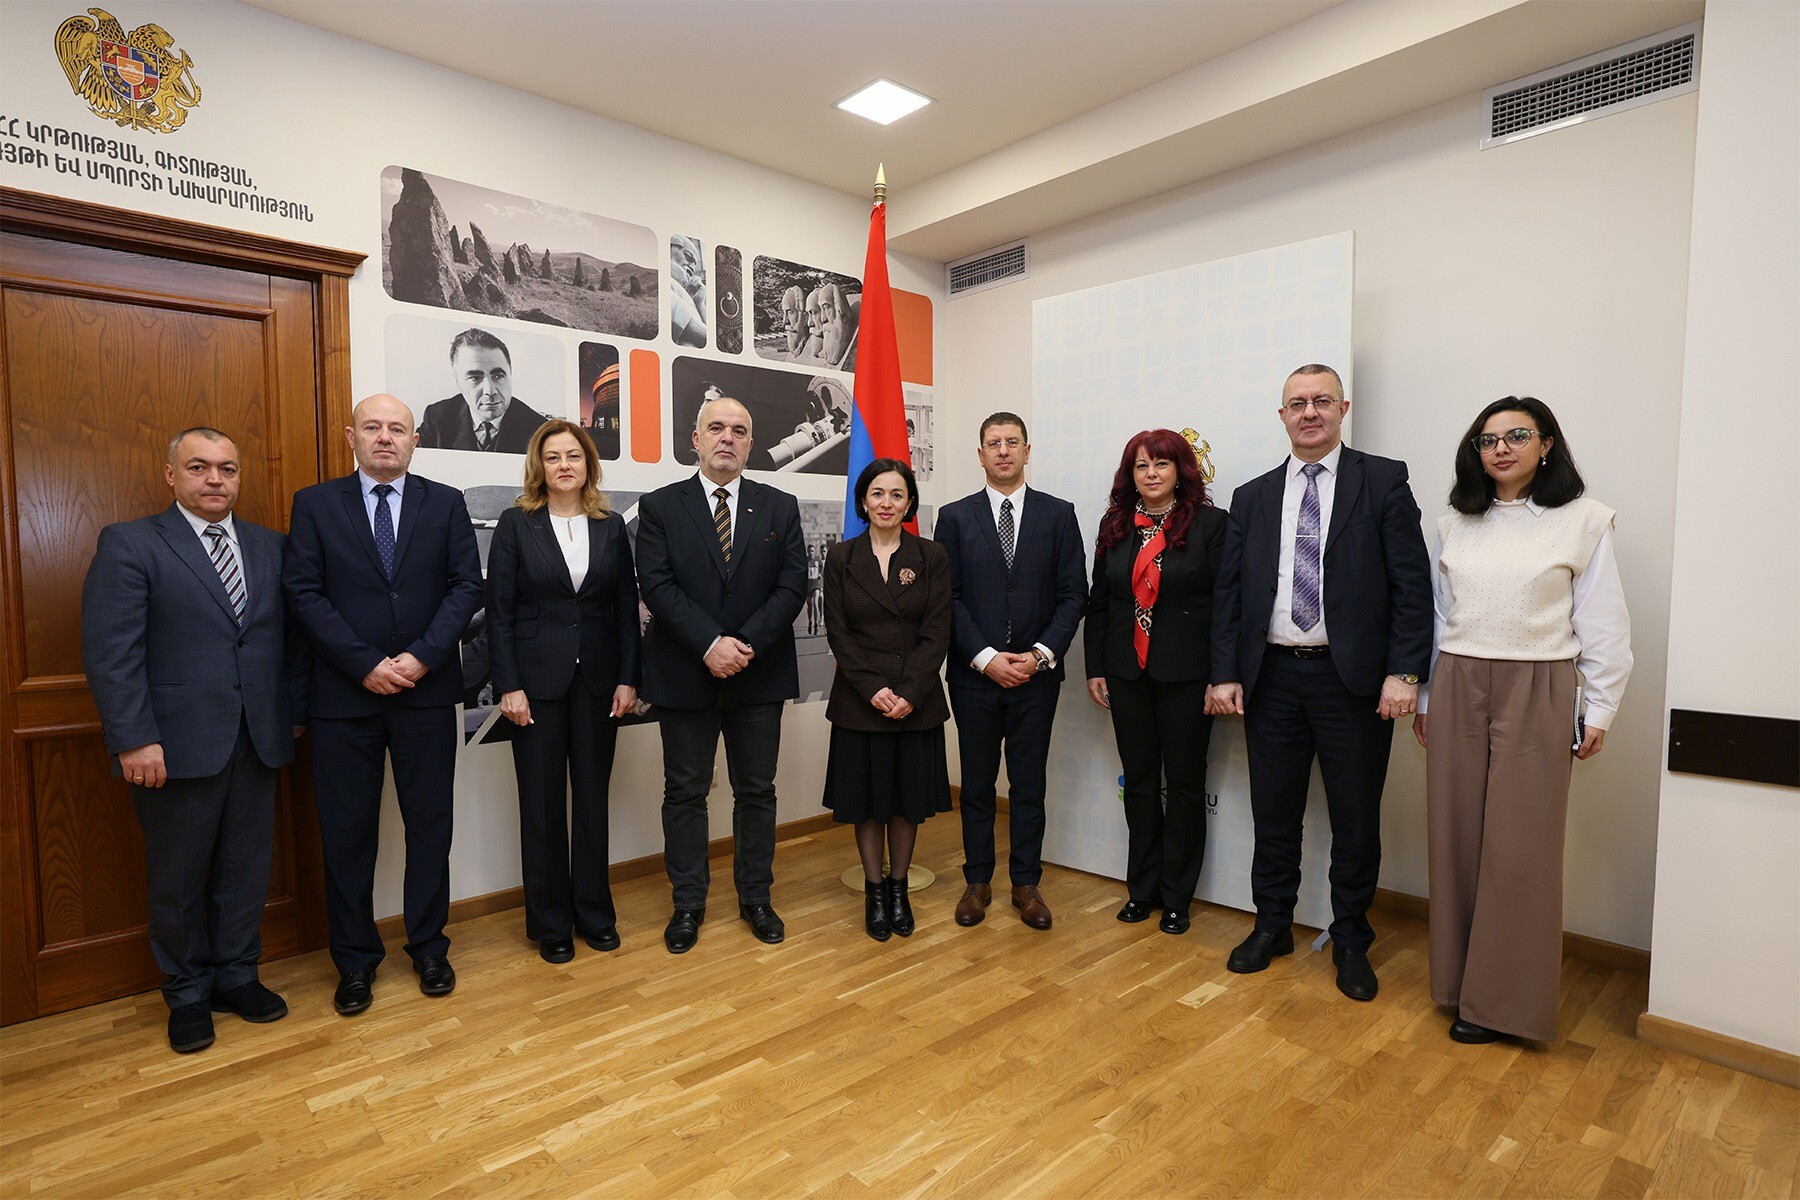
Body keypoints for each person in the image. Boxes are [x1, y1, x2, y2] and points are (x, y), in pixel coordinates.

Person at [1206, 364, 1431, 1001]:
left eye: (1321, 401)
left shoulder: (1382, 480)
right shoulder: (1251, 496)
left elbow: (1411, 584)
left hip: (1351, 682)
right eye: (1297, 403)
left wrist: (1405, 673)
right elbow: (1230, 595)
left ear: (1342, 409)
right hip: (1272, 677)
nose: (1309, 412)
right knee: (1274, 813)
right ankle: (1272, 925)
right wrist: (1224, 672)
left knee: (1355, 819)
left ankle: (1352, 938)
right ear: (1282, 415)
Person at [80, 428, 305, 1053]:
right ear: (171, 474)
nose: (215, 479)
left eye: (227, 469)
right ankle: (186, 993)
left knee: (245, 867)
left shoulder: (271, 547)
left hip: (258, 737)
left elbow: (290, 642)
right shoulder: (130, 543)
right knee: (178, 877)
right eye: (199, 467)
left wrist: (291, 713)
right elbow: (111, 652)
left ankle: (237, 977)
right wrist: (133, 738)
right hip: (172, 746)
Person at [1414, 397, 1630, 1044]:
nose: (1501, 449)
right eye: (1488, 440)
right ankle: (1458, 987)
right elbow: (1437, 617)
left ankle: (1502, 1006)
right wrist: (1425, 698)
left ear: (1546, 444)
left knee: (1521, 848)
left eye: (1516, 436)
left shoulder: (1584, 520)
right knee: (1454, 838)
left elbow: (1603, 620)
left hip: (1539, 684)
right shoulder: (1455, 523)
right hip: (1457, 681)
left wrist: (1600, 706)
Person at [284, 394, 483, 1015]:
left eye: (397, 429)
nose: (385, 437)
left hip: (426, 695)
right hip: (343, 700)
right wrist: (363, 664)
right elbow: (303, 593)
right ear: (352, 437)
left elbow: (466, 587)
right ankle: (354, 961)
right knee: (347, 835)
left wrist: (422, 657)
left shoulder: (446, 503)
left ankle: (429, 947)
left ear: (415, 440)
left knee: (430, 827)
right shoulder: (316, 505)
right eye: (372, 427)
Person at [635, 395, 807, 953]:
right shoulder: (661, 507)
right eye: (716, 428)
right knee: (685, 793)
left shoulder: (780, 506)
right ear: (696, 439)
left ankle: (756, 898)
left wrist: (743, 646)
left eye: (738, 430)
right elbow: (657, 585)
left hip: (758, 675)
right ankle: (688, 904)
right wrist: (710, 644)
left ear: (751, 444)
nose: (727, 437)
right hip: (685, 674)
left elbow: (792, 586)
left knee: (756, 792)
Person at [487, 420, 641, 964]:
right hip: (535, 687)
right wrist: (508, 685)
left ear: (588, 464)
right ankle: (551, 923)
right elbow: (499, 613)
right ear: (540, 466)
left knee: (593, 802)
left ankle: (594, 914)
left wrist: (628, 677)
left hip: (598, 683)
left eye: (573, 455)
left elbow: (625, 610)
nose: (564, 465)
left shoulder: (610, 525)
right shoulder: (516, 524)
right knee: (542, 805)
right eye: (552, 457)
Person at [935, 412, 1088, 930]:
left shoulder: (1058, 515)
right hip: (974, 677)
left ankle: (1026, 883)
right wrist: (985, 658)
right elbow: (948, 597)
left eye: (1012, 442)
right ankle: (977, 881)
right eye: (993, 443)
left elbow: (1074, 594)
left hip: (1035, 677)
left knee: (1028, 786)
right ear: (980, 454)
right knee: (977, 786)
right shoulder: (954, 518)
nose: (1003, 451)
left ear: (1027, 451)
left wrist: (1040, 654)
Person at [1084, 430, 1227, 935]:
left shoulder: (1210, 524)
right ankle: (1141, 889)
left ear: (1180, 470)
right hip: (1127, 672)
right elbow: (1100, 602)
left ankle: (1177, 897)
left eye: (1161, 464)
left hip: (1188, 676)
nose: (1151, 474)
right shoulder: (1116, 524)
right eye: (1141, 465)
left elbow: (1225, 605)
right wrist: (1096, 666)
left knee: (1184, 786)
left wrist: (1222, 676)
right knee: (1140, 783)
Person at [821, 459, 953, 941]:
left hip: (915, 700)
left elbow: (937, 630)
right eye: (877, 493)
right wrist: (873, 689)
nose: (886, 503)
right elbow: (838, 632)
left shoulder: (931, 555)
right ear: (863, 500)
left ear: (909, 503)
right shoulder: (841, 557)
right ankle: (874, 892)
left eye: (897, 495)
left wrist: (910, 691)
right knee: (867, 803)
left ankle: (899, 888)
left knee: (904, 802)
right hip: (861, 701)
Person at [418, 328, 550, 453]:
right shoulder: (436, 419)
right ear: (457, 379)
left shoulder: (539, 430)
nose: (490, 391)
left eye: (498, 376)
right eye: (475, 378)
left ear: (510, 373)